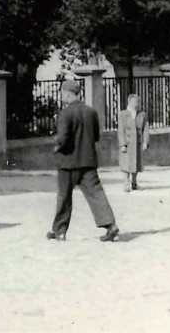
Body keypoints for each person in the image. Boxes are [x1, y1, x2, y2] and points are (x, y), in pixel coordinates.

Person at [47, 79, 119, 242]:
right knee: (96, 194)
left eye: (62, 93)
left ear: (66, 92)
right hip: (88, 161)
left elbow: (63, 138)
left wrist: (57, 146)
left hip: (67, 163)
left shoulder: (65, 113)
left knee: (64, 197)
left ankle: (59, 231)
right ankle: (110, 225)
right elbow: (95, 137)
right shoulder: (91, 112)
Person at [117, 93, 150, 192]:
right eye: (134, 102)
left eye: (138, 102)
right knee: (126, 164)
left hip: (137, 143)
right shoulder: (123, 114)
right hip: (127, 143)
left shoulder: (142, 114)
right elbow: (120, 130)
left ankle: (134, 183)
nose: (136, 104)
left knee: (136, 163)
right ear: (129, 102)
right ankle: (126, 184)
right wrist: (122, 144)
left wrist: (145, 142)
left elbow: (146, 129)